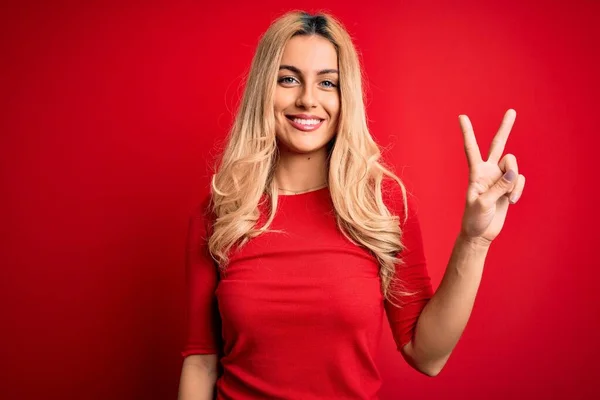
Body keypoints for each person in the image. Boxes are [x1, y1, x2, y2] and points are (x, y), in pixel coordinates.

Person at [177, 10, 526, 400]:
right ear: (263, 89)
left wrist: (474, 240)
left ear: (347, 98)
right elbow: (201, 361)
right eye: (288, 79)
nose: (308, 100)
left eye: (328, 83)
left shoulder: (380, 205)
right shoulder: (221, 213)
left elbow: (427, 355)